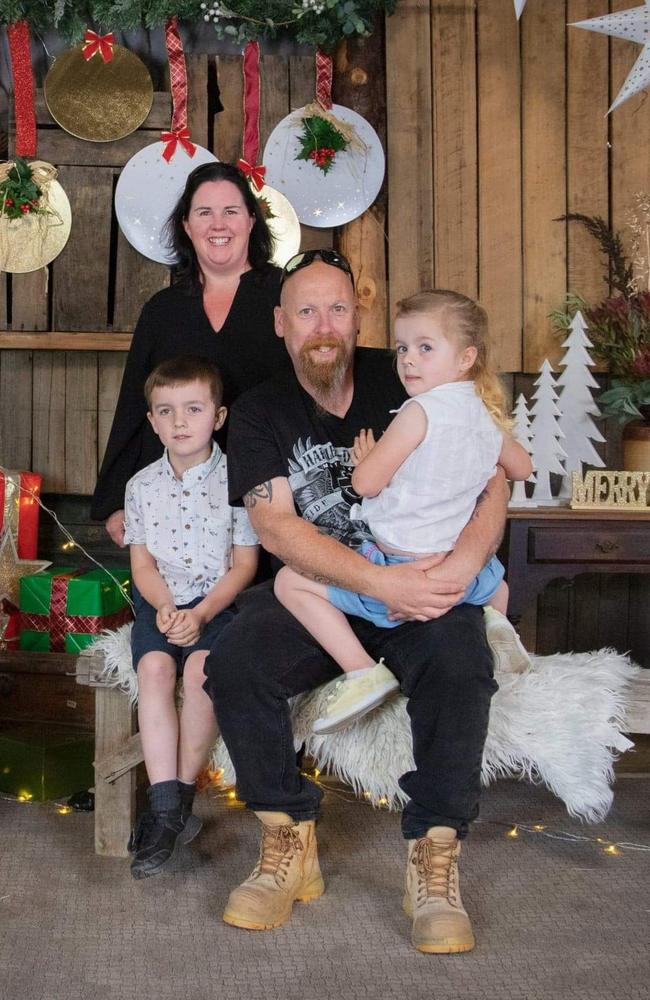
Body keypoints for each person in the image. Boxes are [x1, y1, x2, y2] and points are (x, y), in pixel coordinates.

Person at [203, 249, 510, 954]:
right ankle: (288, 839)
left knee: (462, 663)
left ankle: (433, 859)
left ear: (359, 313)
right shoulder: (259, 413)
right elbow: (276, 525)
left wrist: (461, 567)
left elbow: (494, 476)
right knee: (238, 660)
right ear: (281, 324)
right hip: (333, 593)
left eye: (338, 308)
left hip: (424, 579)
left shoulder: (413, 376)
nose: (324, 325)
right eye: (306, 310)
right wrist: (377, 583)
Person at [274, 289, 533, 735]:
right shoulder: (483, 415)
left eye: (425, 348)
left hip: (401, 564)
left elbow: (365, 485)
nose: (408, 360)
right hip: (461, 570)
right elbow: (522, 467)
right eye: (403, 348)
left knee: (289, 581)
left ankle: (361, 671)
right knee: (497, 580)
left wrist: (367, 459)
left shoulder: (417, 412)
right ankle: (494, 624)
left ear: (466, 357)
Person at [91, 160, 290, 546]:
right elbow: (135, 402)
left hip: (271, 497)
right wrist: (117, 499)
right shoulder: (163, 309)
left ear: (251, 220)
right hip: (176, 505)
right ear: (186, 225)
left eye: (231, 211)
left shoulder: (286, 293)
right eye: (204, 212)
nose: (219, 224)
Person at [124, 356, 259, 879]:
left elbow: (244, 565)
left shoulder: (238, 484)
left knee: (201, 673)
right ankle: (164, 805)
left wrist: (200, 613)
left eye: (193, 409)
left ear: (218, 417)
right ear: (153, 420)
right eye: (166, 411)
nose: (180, 422)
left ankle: (176, 801)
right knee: (156, 670)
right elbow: (142, 563)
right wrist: (164, 607)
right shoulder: (141, 487)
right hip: (160, 600)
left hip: (217, 602)